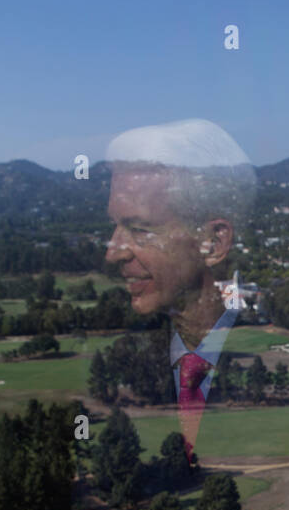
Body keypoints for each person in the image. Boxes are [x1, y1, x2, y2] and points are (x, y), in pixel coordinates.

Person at [104, 118, 256, 458]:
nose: (112, 253)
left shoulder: (276, 358)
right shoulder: (135, 358)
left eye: (140, 230)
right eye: (114, 227)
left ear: (213, 243)